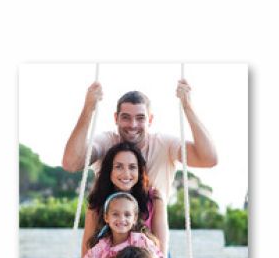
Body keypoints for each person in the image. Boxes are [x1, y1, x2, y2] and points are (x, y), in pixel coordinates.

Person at [62, 78, 218, 203]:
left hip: (152, 239)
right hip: (107, 239)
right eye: (126, 117)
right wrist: (88, 108)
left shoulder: (165, 144)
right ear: (116, 118)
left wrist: (187, 106)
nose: (133, 125)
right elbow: (71, 163)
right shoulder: (106, 142)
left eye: (140, 118)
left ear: (150, 120)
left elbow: (209, 159)